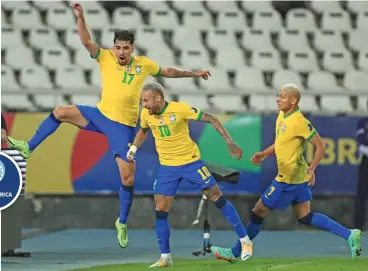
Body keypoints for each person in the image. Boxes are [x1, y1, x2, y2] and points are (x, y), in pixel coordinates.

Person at [5, 2, 211, 250]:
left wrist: (194, 73)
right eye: (118, 47)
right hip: (100, 114)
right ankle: (28, 147)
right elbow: (86, 41)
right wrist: (80, 17)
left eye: (125, 48)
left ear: (131, 48)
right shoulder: (104, 57)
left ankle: (122, 222)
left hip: (122, 127)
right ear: (113, 47)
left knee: (127, 176)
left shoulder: (143, 64)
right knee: (60, 112)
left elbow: (167, 71)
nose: (121, 51)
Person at [211, 84, 363, 263]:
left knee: (258, 211)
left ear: (293, 100)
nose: (277, 99)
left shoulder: (299, 121)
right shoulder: (282, 115)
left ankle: (236, 252)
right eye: (278, 95)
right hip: (297, 179)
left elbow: (321, 145)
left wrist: (312, 168)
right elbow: (281, 142)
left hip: (286, 180)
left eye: (282, 97)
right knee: (305, 216)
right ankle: (350, 234)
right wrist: (264, 154)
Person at [126, 83, 252, 268]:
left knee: (215, 196)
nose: (144, 105)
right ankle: (165, 257)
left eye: (146, 100)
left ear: (158, 98)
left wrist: (229, 142)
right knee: (160, 207)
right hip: (167, 168)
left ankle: (245, 241)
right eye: (142, 101)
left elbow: (212, 118)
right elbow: (143, 131)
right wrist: (134, 148)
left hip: (191, 163)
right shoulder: (146, 114)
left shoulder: (180, 109)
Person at [354, 116, 368, 230]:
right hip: (366, 162)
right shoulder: (364, 122)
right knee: (362, 195)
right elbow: (361, 145)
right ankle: (358, 227)